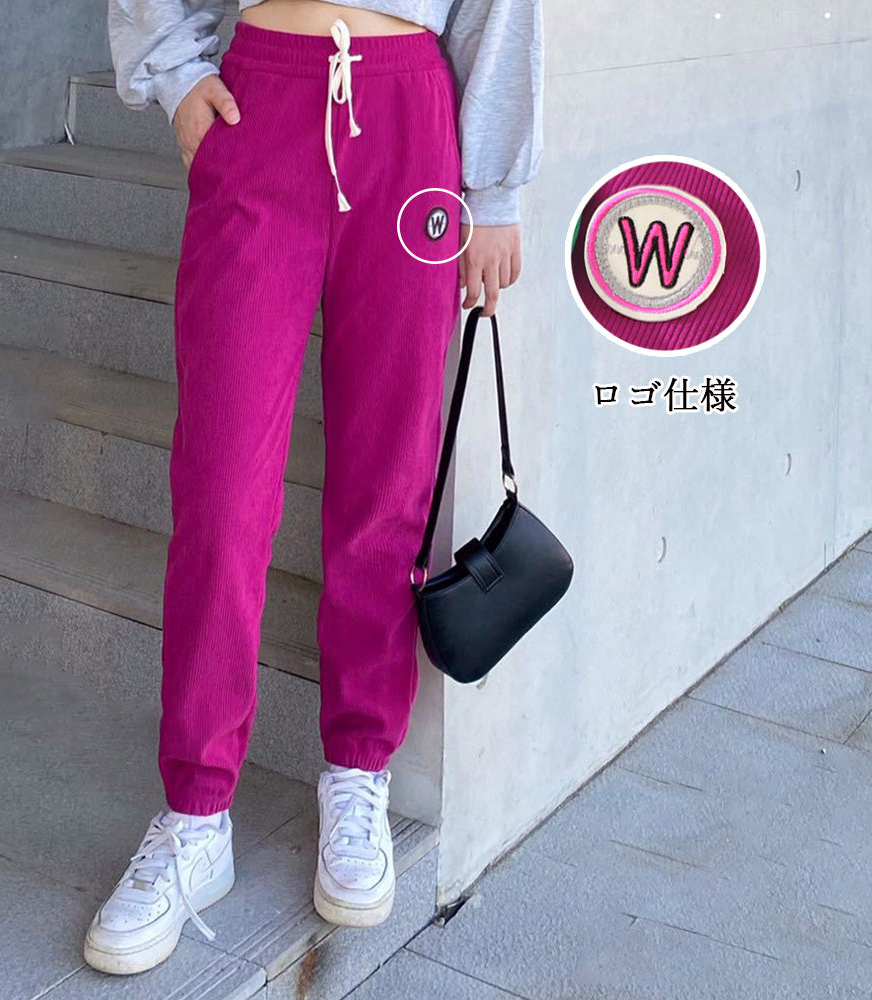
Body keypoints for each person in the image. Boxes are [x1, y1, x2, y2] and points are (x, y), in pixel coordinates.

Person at [84, 0, 542, 975]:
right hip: (262, 106)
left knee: (389, 479)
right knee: (220, 490)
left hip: (412, 122)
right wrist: (177, 77)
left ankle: (357, 769)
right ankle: (195, 814)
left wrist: (495, 190)